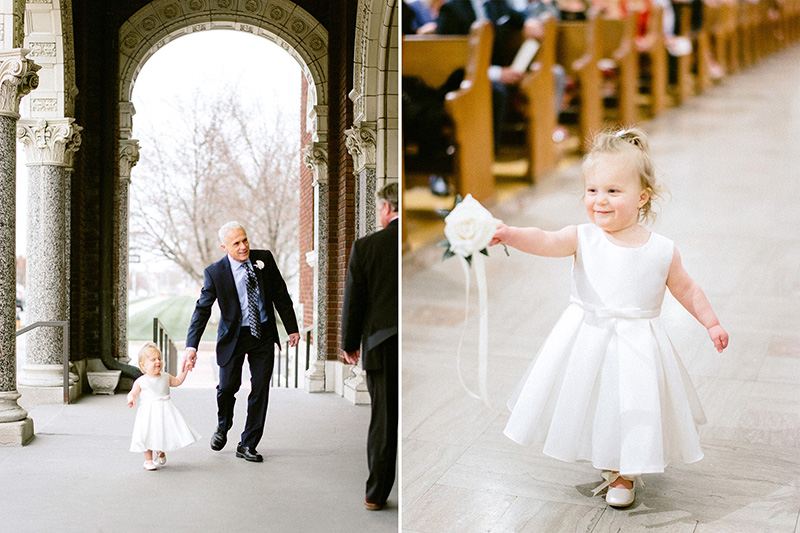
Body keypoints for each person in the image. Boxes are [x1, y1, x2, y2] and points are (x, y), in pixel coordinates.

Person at [490, 128, 729, 507]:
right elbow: (545, 240)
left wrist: (711, 322)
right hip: (588, 335)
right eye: (592, 190)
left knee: (632, 403)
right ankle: (606, 458)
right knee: (594, 398)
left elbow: (687, 288)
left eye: (613, 191)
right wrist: (510, 234)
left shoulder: (661, 250)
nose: (600, 200)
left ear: (641, 197)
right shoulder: (582, 237)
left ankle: (624, 473)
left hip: (637, 343)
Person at [184, 222, 300, 463]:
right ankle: (223, 425)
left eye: (245, 240)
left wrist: (292, 329)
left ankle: (248, 443)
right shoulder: (215, 273)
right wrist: (191, 346)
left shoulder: (264, 259)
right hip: (233, 338)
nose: (243, 246)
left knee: (260, 388)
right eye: (236, 243)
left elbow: (280, 293)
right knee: (227, 387)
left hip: (263, 335)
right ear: (224, 246)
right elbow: (202, 310)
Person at [342, 183, 399, 511]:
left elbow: (354, 301)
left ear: (386, 209)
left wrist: (350, 343)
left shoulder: (367, 247)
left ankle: (376, 494)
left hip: (382, 342)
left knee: (385, 418)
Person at [127, 342, 200, 471]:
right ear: (143, 365)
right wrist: (131, 399)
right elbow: (133, 392)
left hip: (164, 410)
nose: (157, 362)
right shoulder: (141, 381)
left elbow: (177, 381)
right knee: (147, 433)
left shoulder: (165, 377)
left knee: (161, 431)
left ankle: (160, 451)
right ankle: (148, 460)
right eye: (153, 360)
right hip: (148, 412)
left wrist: (185, 370)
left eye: (159, 359)